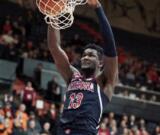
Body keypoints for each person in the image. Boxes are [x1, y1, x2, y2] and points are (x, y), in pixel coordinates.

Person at [47, 0, 118, 134]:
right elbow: (54, 47)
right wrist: (53, 14)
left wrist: (98, 8)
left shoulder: (104, 81)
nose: (85, 57)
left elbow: (110, 47)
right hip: (63, 131)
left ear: (101, 63)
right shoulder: (72, 76)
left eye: (91, 55)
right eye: (84, 55)